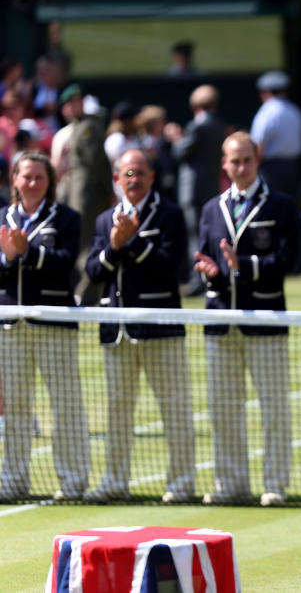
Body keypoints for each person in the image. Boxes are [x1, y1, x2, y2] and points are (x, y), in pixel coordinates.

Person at [83, 149, 195, 504]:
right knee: (118, 411)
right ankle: (115, 482)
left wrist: (132, 242)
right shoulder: (105, 220)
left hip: (161, 328)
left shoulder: (171, 214)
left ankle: (181, 483)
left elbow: (171, 267)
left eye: (140, 173)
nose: (134, 180)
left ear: (152, 175)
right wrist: (116, 246)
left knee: (175, 408)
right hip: (117, 332)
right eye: (127, 173)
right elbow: (93, 272)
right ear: (117, 178)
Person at [194, 132, 298, 507]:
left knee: (274, 408)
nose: (240, 167)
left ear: (257, 161)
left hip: (265, 319)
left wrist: (245, 267)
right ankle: (229, 483)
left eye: (246, 160)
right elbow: (207, 257)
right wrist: (210, 270)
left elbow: (287, 260)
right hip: (221, 321)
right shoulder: (211, 208)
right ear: (224, 164)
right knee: (223, 408)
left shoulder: (281, 205)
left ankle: (275, 484)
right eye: (233, 161)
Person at [0, 151, 90, 502]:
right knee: (16, 407)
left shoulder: (67, 218)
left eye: (40, 177)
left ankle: (73, 482)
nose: (33, 183)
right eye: (27, 176)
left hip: (55, 322)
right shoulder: (2, 217)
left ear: (50, 182)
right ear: (15, 180)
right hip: (10, 325)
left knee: (66, 404)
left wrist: (27, 252)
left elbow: (65, 264)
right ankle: (13, 481)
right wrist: (9, 256)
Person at [49, 84, 112, 305]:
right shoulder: (86, 127)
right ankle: (86, 294)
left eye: (75, 102)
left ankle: (85, 292)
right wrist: (109, 190)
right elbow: (97, 162)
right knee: (88, 245)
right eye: (68, 103)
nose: (71, 107)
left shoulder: (83, 127)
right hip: (88, 194)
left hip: (83, 193)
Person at [167, 84, 226, 292]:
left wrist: (175, 139)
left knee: (195, 235)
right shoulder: (219, 126)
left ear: (195, 106)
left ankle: (197, 280)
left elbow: (181, 153)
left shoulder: (197, 126)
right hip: (210, 187)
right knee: (206, 234)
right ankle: (205, 275)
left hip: (192, 191)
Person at [251, 71, 301, 197]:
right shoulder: (295, 111)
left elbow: (258, 144)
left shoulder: (267, 112)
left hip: (271, 170)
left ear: (265, 92)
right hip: (293, 168)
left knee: (272, 207)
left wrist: (253, 167)